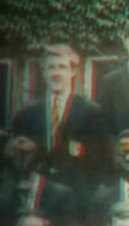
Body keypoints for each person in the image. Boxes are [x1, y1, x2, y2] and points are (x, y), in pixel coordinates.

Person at [11, 44, 108, 195]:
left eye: (62, 67)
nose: (56, 73)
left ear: (73, 71)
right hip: (38, 195)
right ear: (44, 72)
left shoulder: (92, 113)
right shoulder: (26, 114)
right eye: (51, 67)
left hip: (77, 196)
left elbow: (100, 162)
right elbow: (17, 161)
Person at [0, 136, 80, 226]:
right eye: (14, 154)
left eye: (25, 154)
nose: (20, 160)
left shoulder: (61, 195)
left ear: (38, 160)